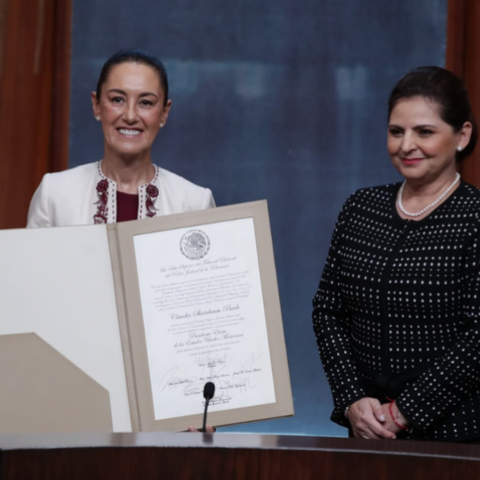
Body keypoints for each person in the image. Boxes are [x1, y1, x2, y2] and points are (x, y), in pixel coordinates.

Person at [312, 66, 480, 442]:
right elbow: (328, 311)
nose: (406, 145)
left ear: (462, 135)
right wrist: (353, 399)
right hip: (366, 431)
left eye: (424, 131)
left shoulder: (474, 216)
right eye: (396, 131)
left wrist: (405, 412)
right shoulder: (361, 208)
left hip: (455, 439)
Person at [27, 49, 215, 228]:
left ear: (164, 113)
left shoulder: (195, 203)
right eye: (117, 99)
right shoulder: (54, 194)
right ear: (96, 105)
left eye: (146, 103)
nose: (130, 116)